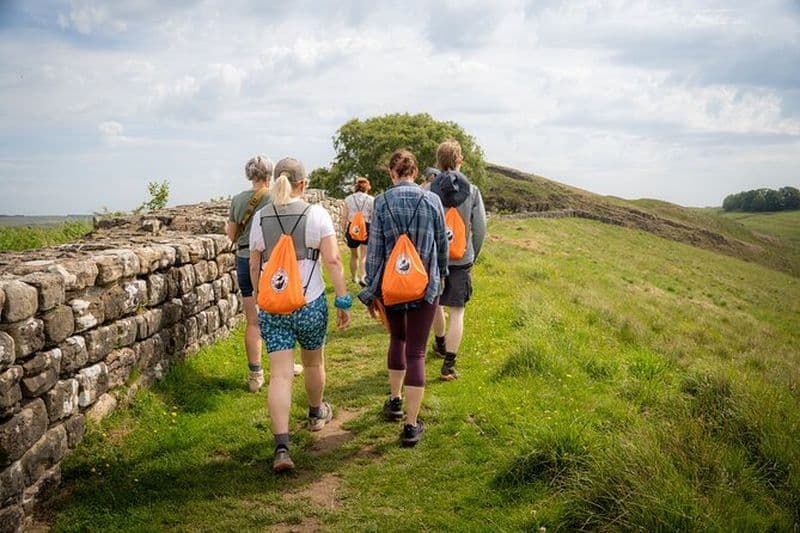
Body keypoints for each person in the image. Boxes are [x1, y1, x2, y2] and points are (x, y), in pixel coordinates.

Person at [249, 157, 351, 472]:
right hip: (310, 302)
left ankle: (281, 447)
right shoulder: (316, 214)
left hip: (274, 306)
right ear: (303, 184)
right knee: (313, 361)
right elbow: (332, 260)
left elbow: (254, 263)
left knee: (279, 374)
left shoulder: (261, 216)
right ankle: (316, 413)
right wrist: (343, 300)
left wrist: (258, 296)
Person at [358, 149, 448, 447]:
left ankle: (395, 401)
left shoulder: (382, 201)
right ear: (415, 171)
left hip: (392, 286)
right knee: (417, 353)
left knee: (397, 340)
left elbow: (375, 252)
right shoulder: (432, 200)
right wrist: (441, 275)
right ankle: (411, 425)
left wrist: (372, 290)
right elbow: (441, 245)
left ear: (392, 173)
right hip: (425, 286)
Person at [429, 140, 486, 381]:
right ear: (460, 160)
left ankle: (440, 342)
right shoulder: (472, 191)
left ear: (438, 163)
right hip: (462, 258)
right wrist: (473, 253)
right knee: (457, 311)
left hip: (435, 259)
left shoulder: (429, 191)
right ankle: (449, 365)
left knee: (436, 304)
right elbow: (481, 227)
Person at [342, 177, 375, 286]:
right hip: (366, 226)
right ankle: (363, 277)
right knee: (364, 255)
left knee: (354, 255)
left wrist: (343, 231)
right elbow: (373, 216)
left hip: (352, 227)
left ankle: (354, 277)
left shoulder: (348, 199)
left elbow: (344, 216)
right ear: (367, 187)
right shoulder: (371, 199)